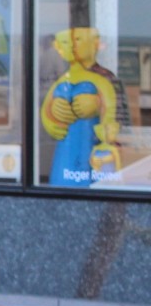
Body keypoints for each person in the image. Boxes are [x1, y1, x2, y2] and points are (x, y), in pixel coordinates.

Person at [41, 27, 119, 187]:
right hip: (67, 152)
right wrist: (51, 115)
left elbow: (118, 115)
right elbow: (45, 113)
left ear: (96, 44)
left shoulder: (106, 77)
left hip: (94, 150)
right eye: (69, 41)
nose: (72, 46)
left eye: (78, 40)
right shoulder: (62, 79)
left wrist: (99, 104)